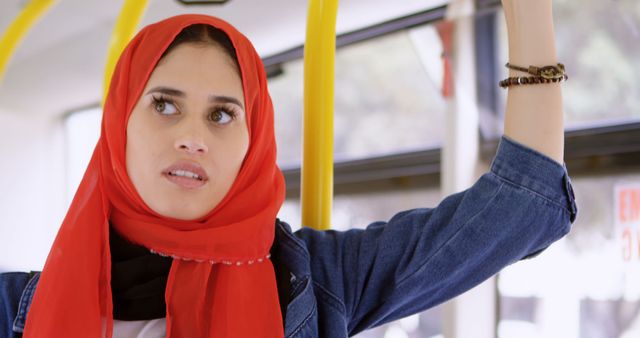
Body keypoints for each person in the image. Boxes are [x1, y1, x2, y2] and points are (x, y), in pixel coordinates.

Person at [0, 1, 577, 337]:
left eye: (223, 114)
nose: (193, 138)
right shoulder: (13, 310)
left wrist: (529, 10)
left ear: (254, 140)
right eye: (165, 105)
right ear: (119, 123)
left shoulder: (316, 282)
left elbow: (518, 207)